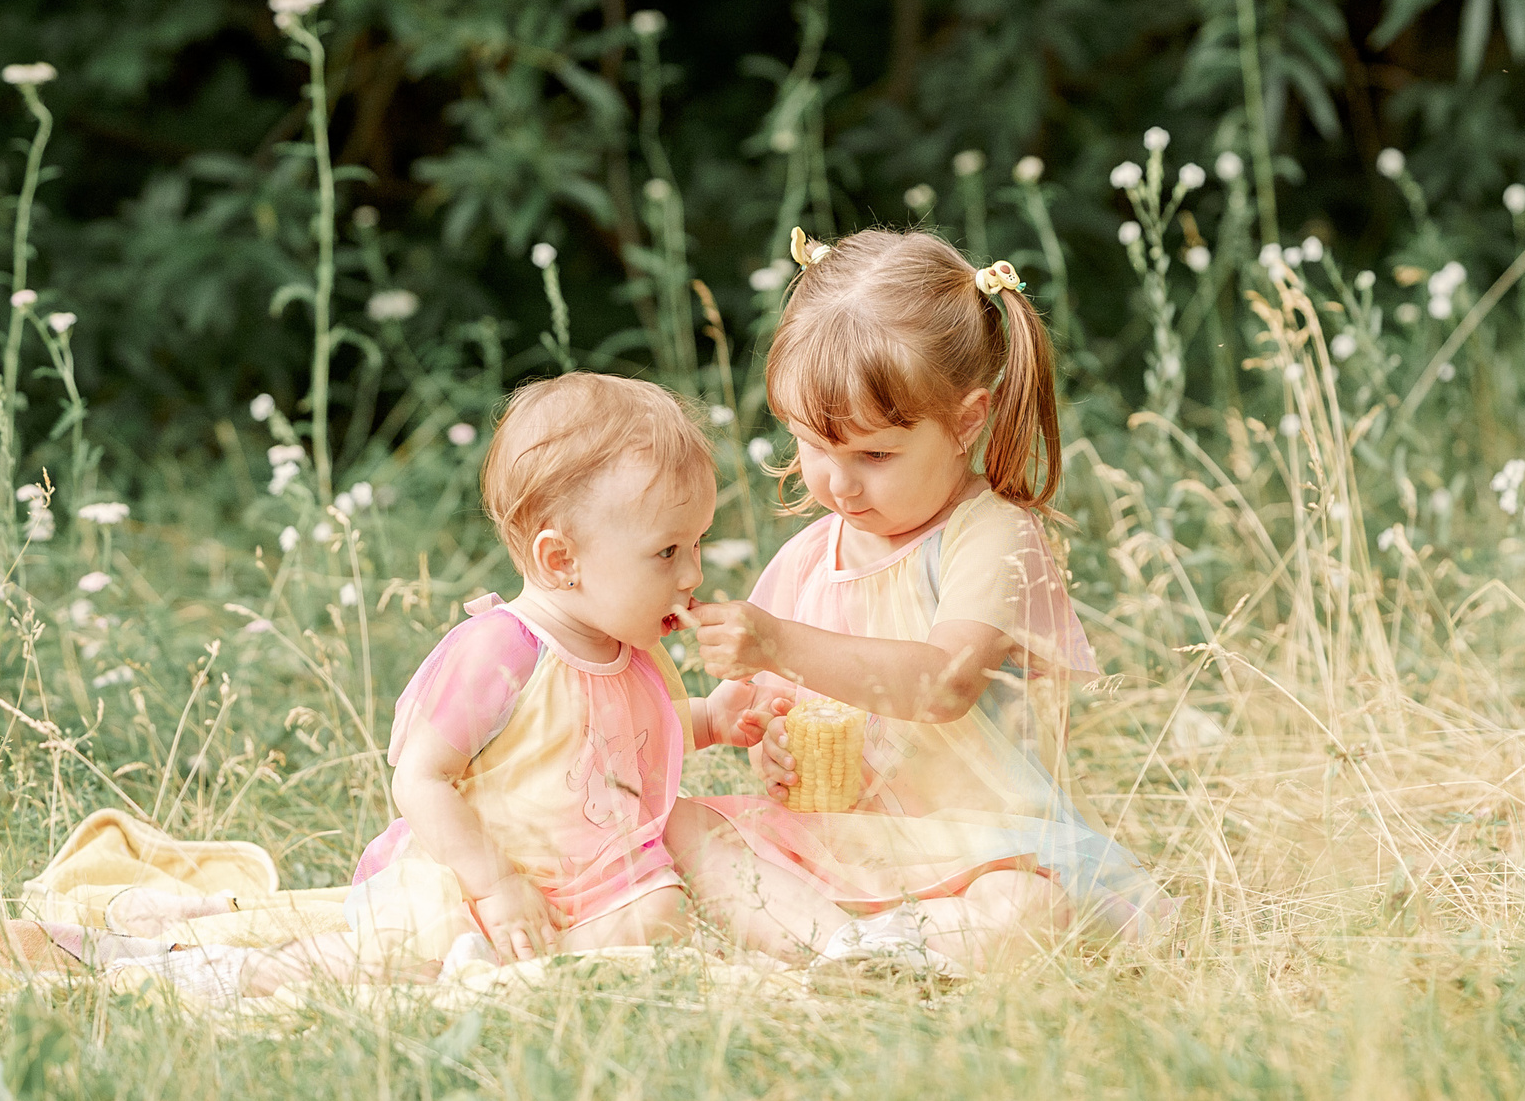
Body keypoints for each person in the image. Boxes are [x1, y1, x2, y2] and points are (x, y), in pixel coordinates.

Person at [667, 227, 1166, 974]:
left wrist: (777, 642)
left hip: (979, 844)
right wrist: (769, 748)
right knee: (684, 825)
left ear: (966, 420)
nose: (836, 484)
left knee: (1028, 910)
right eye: (812, 444)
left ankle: (883, 948)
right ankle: (839, 947)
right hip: (838, 845)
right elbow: (756, 714)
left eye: (874, 454)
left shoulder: (989, 534)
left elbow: (944, 683)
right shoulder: (810, 557)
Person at [237, 373, 781, 989]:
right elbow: (420, 776)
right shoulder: (504, 651)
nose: (692, 574)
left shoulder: (629, 645)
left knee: (663, 912)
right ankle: (256, 973)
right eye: (667, 552)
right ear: (561, 560)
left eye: (697, 543)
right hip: (481, 881)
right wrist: (495, 884)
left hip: (586, 878)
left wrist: (713, 720)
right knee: (402, 956)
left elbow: (619, 743)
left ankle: (524, 975)